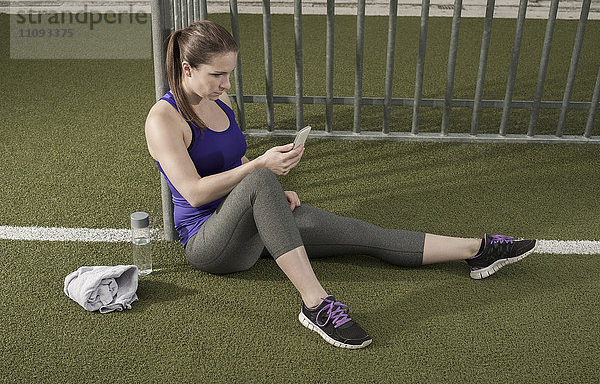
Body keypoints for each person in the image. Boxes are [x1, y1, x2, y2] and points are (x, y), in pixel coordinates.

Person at [145, 20, 537, 350]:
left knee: (365, 234)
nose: (227, 84)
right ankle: (316, 304)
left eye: (229, 73)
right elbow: (195, 192)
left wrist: (267, 195)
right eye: (217, 74)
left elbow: (237, 162)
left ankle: (476, 251)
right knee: (262, 177)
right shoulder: (164, 119)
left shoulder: (221, 102)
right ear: (187, 68)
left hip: (250, 223)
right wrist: (261, 172)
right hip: (209, 244)